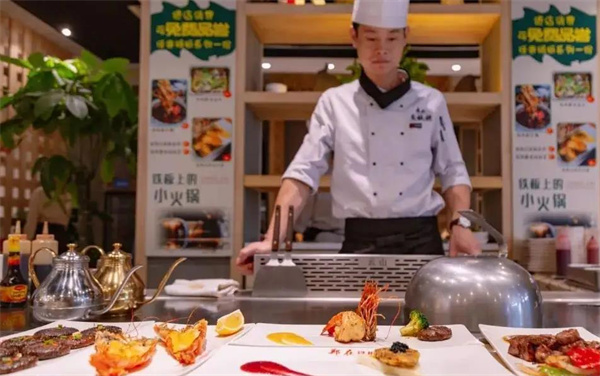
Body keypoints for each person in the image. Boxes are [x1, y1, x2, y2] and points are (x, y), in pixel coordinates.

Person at [237, 0, 481, 274]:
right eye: (371, 37)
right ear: (354, 37)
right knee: (357, 317)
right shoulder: (334, 102)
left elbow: (453, 171)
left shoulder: (431, 102)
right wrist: (272, 238)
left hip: (421, 243)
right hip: (359, 242)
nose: (382, 49)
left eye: (391, 37)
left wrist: (461, 225)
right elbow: (303, 172)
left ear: (405, 37)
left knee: (426, 317)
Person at [24, 186, 72, 253]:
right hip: (61, 235)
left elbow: (32, 218)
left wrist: (27, 240)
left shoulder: (40, 192)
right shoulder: (67, 194)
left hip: (42, 235)